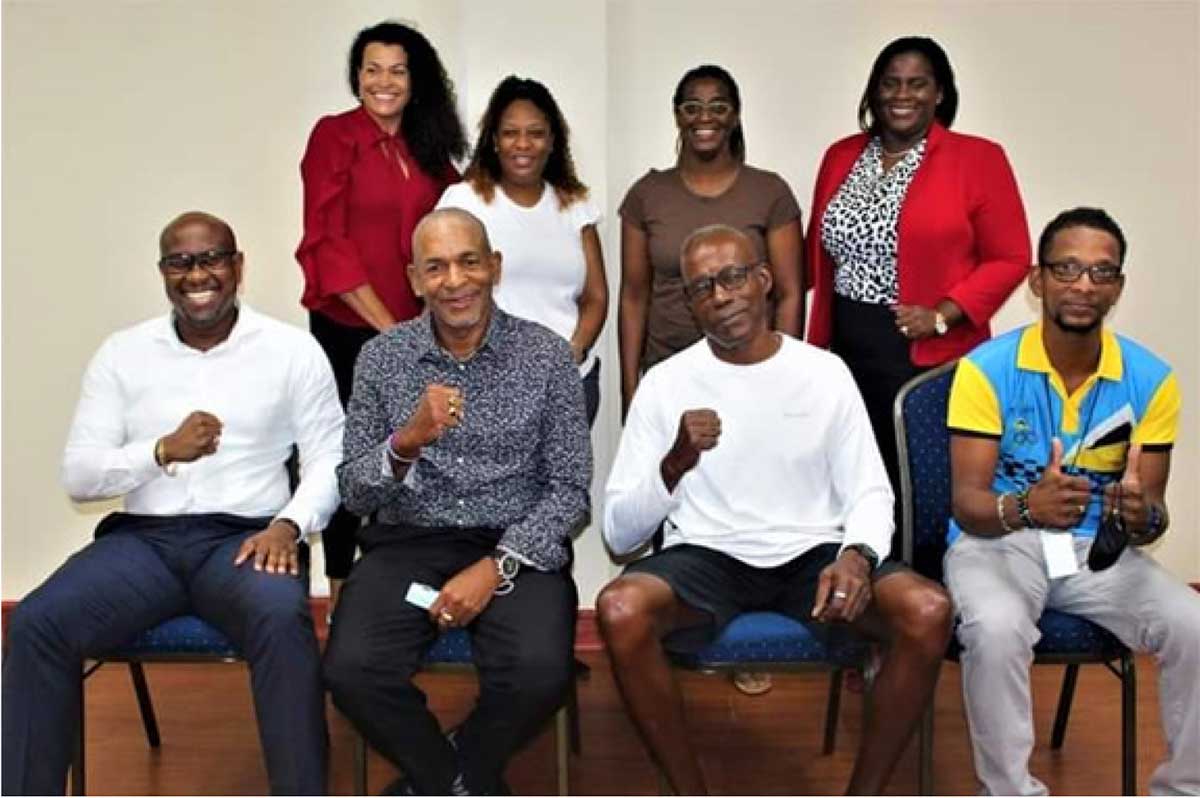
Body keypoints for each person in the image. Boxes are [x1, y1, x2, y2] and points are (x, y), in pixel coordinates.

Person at [597, 224, 952, 795]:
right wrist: (675, 462)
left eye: (734, 277)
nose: (722, 295)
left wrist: (858, 556)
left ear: (764, 280)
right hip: (705, 556)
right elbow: (619, 532)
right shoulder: (664, 385)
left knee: (928, 610)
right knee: (619, 609)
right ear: (690, 304)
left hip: (814, 556)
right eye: (703, 286)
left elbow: (870, 489)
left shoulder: (824, 372)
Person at [1, 212, 343, 795]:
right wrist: (160, 451)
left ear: (238, 266)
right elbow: (79, 475)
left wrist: (289, 525)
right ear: (163, 273)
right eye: (179, 263)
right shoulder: (123, 353)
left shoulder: (292, 351)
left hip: (246, 540)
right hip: (143, 545)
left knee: (281, 621)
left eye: (211, 258)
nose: (197, 274)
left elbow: (329, 459)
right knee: (37, 624)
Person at [323, 208, 591, 795]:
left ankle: (444, 771)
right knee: (351, 671)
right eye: (436, 267)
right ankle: (457, 782)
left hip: (515, 545)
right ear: (415, 279)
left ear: (494, 267)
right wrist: (406, 441)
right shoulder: (381, 359)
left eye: (469, 261)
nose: (455, 281)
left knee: (540, 672)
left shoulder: (546, 357)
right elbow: (354, 490)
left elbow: (570, 489)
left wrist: (498, 566)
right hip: (406, 544)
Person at [946, 207, 1199, 796]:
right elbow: (968, 505)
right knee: (997, 627)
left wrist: (1142, 517)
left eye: (1101, 272)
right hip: (998, 543)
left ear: (1118, 287)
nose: (1084, 285)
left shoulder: (1152, 378)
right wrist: (1029, 508)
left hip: (1094, 553)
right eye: (1066, 268)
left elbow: (1152, 514)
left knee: (1192, 623)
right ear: (1037, 281)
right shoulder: (986, 369)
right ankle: (1009, 791)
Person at [806, 36, 1029, 563]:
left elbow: (1011, 256)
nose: (901, 94)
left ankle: (923, 600)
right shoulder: (841, 155)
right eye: (891, 83)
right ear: (874, 90)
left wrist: (944, 314)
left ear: (939, 93)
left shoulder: (977, 158)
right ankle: (864, 594)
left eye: (917, 83)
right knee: (853, 476)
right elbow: (816, 247)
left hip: (923, 350)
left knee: (916, 482)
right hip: (843, 346)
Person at [295, 20, 466, 610]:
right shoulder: (334, 137)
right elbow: (328, 241)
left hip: (417, 333)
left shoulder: (430, 150)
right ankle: (343, 596)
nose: (383, 81)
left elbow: (454, 228)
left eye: (397, 69)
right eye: (372, 69)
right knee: (354, 457)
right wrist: (389, 330)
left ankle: (403, 597)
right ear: (356, 77)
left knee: (416, 455)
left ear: (415, 81)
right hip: (348, 329)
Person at [618, 64, 804, 417]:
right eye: (692, 107)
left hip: (752, 373)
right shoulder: (646, 195)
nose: (704, 117)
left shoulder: (770, 192)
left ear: (735, 116)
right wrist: (630, 391)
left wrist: (783, 377)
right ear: (677, 116)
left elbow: (789, 293)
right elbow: (634, 296)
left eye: (718, 107)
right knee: (673, 470)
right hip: (669, 372)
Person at [437, 75, 608, 425]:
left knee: (564, 481)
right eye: (511, 133)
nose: (523, 144)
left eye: (535, 133)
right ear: (495, 141)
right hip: (484, 384)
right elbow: (441, 290)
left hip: (568, 382)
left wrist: (571, 354)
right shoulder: (463, 201)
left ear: (552, 141)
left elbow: (596, 297)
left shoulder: (575, 204)